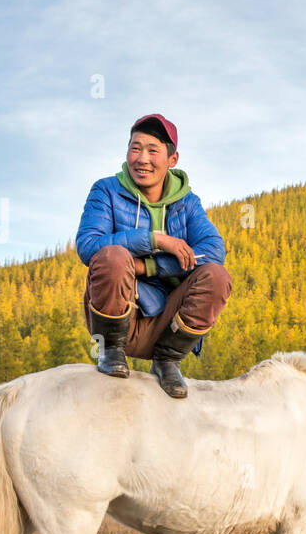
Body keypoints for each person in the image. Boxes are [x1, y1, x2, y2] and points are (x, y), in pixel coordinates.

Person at [75, 113, 232, 398]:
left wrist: (148, 266)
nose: (142, 159)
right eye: (135, 148)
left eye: (152, 150)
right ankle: (111, 351)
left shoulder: (188, 203)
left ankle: (167, 361)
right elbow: (88, 245)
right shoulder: (106, 191)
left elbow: (213, 251)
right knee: (112, 257)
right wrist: (154, 240)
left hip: (169, 322)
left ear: (172, 160)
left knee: (217, 277)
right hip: (121, 314)